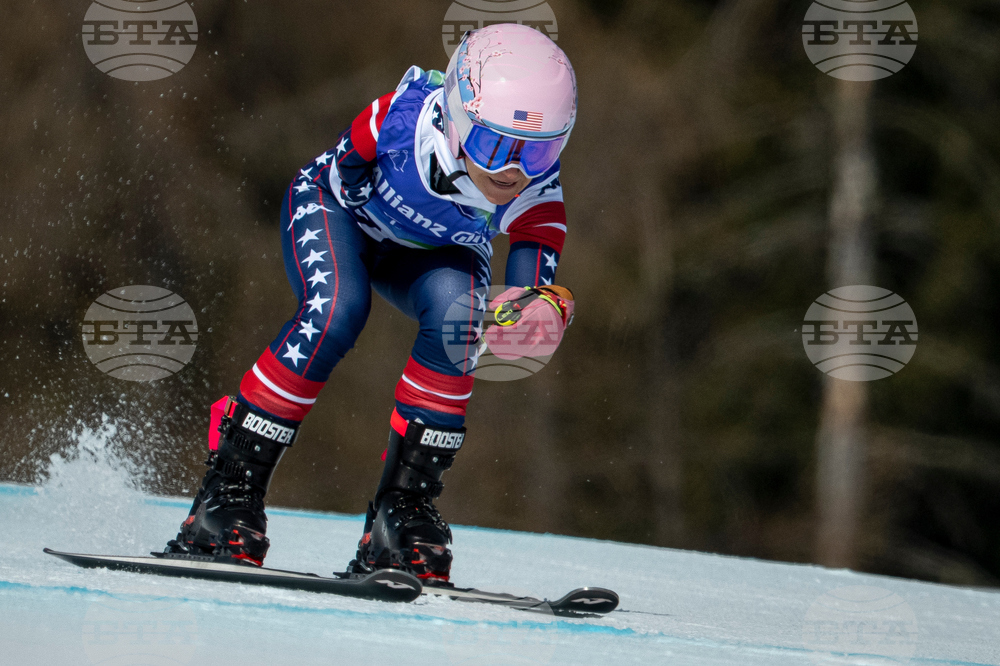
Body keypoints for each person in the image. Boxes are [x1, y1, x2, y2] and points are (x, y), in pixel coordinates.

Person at [164, 24, 577, 583]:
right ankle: (228, 488)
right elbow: (341, 170)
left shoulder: (536, 187)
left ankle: (399, 512)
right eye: (496, 145)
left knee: (462, 324)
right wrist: (358, 197)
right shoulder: (400, 120)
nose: (513, 171)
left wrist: (531, 309)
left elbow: (529, 283)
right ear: (455, 117)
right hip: (340, 214)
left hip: (428, 251)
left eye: (542, 151)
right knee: (337, 311)